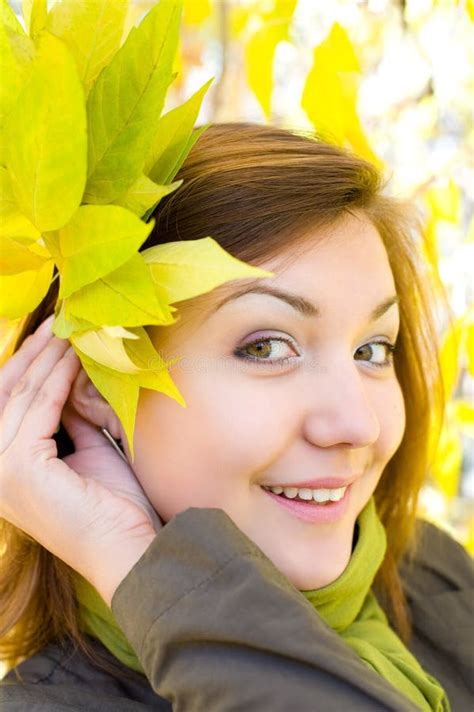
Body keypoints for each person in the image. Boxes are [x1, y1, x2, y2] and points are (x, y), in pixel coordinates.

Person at [0, 123, 472, 712]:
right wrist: (131, 561)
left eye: (372, 350)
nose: (359, 425)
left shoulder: (436, 579)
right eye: (267, 347)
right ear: (96, 380)